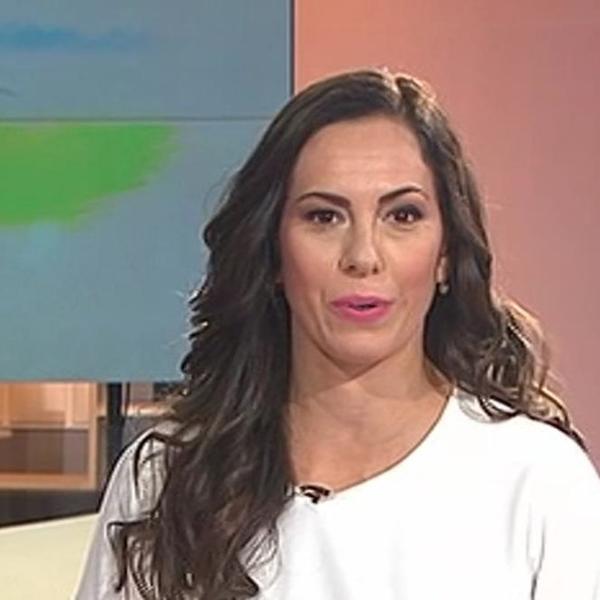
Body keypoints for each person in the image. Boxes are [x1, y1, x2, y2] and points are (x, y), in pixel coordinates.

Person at [76, 68, 600, 599]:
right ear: (273, 252)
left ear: (446, 254)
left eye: (402, 215)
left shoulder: (538, 484)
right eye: (324, 217)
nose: (363, 257)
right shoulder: (164, 480)